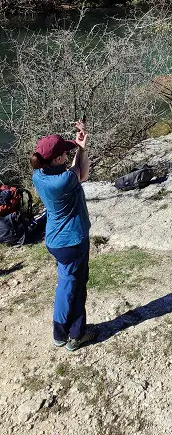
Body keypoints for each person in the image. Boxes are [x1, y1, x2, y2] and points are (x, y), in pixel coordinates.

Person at [31, 122, 95, 351]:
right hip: (73, 240)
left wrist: (79, 147)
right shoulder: (64, 180)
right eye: (65, 152)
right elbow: (83, 174)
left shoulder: (38, 176)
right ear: (57, 159)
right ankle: (72, 335)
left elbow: (81, 174)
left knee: (67, 285)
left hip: (56, 240)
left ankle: (64, 332)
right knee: (75, 288)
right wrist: (82, 148)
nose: (68, 154)